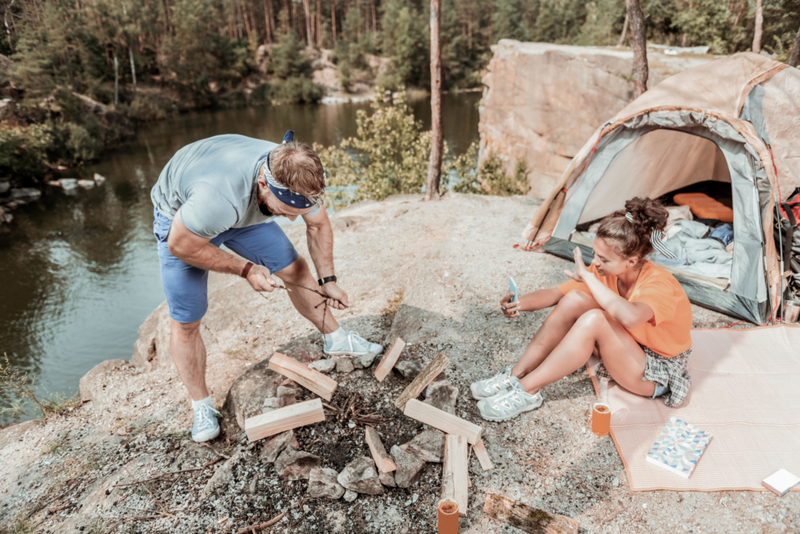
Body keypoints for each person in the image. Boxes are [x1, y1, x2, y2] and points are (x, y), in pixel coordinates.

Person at [151, 132, 382, 442]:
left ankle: (335, 337)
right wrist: (246, 269)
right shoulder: (216, 199)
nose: (290, 220)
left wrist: (329, 281)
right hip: (185, 222)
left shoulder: (301, 175)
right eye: (286, 212)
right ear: (264, 183)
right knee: (187, 320)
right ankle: (202, 406)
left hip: (241, 213)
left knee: (297, 269)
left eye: (295, 213)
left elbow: (317, 225)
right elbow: (181, 245)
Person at [470, 197, 693, 422]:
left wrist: (587, 277)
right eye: (595, 254)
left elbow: (630, 317)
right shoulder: (606, 270)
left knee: (595, 319)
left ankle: (527, 391)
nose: (595, 263)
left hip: (655, 372)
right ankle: (516, 375)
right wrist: (518, 303)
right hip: (631, 348)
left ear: (631, 262)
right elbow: (557, 294)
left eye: (603, 259)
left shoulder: (659, 284)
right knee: (576, 297)